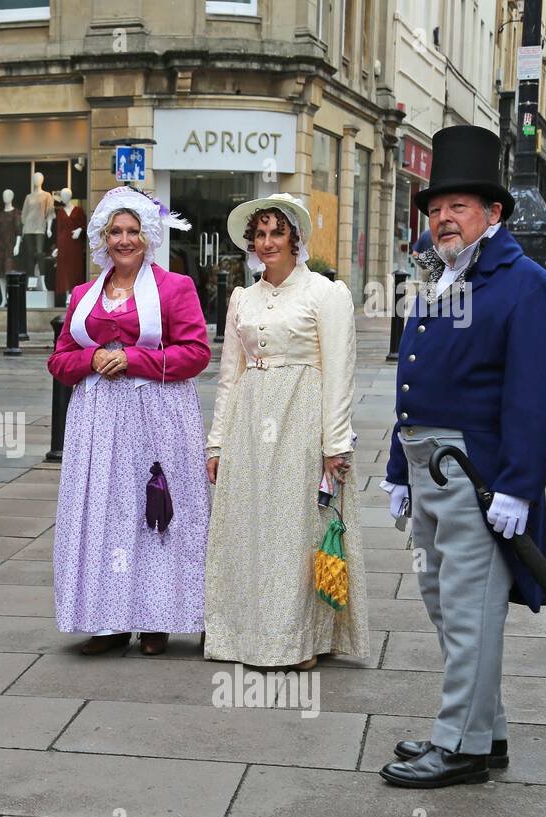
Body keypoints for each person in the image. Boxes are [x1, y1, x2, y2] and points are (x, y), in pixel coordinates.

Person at [380, 125, 546, 788]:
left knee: (469, 608)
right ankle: (482, 731)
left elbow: (535, 398)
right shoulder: (439, 279)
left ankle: (458, 744)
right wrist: (399, 470)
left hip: (478, 476)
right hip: (429, 467)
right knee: (445, 601)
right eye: (435, 210)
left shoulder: (530, 288)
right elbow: (417, 384)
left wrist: (518, 486)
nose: (442, 219)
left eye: (458, 207)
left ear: (494, 214)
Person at [204, 194, 369, 670]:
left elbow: (340, 370)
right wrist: (217, 442)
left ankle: (298, 641)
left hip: (302, 417)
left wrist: (335, 443)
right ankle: (246, 634)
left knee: (298, 530)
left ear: (296, 238)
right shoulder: (242, 297)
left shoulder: (325, 292)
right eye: (260, 233)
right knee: (251, 528)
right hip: (250, 423)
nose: (267, 241)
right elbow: (230, 375)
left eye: (277, 232)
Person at [47, 185, 212, 656]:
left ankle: (157, 619)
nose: (124, 240)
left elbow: (197, 353)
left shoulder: (174, 287)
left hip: (157, 415)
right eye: (116, 231)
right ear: (103, 236)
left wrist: (135, 360)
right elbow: (60, 360)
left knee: (153, 512)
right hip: (97, 420)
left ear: (148, 236)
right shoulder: (84, 293)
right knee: (104, 512)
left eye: (133, 231)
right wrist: (93, 357)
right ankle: (110, 619)